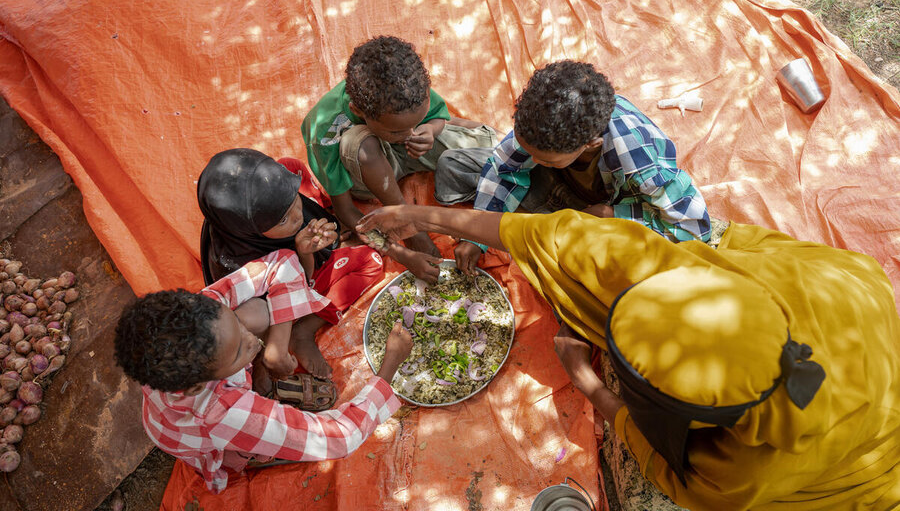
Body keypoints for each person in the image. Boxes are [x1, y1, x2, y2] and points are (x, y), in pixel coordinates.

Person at [356, 205, 900, 509]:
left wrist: (589, 383)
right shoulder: (668, 273)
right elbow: (544, 232)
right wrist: (417, 214)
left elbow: (671, 469)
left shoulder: (741, 469)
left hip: (869, 463)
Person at [113, 251, 413, 494]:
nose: (252, 340)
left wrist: (276, 348)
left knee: (256, 312)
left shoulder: (203, 316)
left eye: (234, 324)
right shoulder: (222, 413)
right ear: (197, 385)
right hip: (205, 438)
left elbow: (283, 262)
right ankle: (252, 453)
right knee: (250, 444)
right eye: (237, 353)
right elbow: (341, 437)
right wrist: (389, 367)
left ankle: (258, 377)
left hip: (195, 399)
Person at [436, 60, 712, 276]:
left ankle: (554, 226)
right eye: (524, 145)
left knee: (580, 262)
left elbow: (693, 228)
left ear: (591, 145)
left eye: (545, 158)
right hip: (561, 189)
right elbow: (503, 167)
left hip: (605, 209)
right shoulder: (540, 125)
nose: (527, 153)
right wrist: (477, 235)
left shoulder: (638, 160)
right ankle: (545, 218)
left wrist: (614, 214)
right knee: (453, 164)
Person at [301, 35, 497, 282]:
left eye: (416, 123)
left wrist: (431, 130)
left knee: (493, 146)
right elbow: (345, 210)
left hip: (407, 153)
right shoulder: (324, 130)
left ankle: (438, 129)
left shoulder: (407, 88)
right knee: (360, 144)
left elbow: (435, 118)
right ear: (358, 112)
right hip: (365, 171)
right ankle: (407, 222)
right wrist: (402, 253)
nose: (410, 134)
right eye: (397, 130)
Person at [198, 148, 385, 378]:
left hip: (294, 257)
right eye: (283, 218)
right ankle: (304, 330)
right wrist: (305, 252)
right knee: (371, 260)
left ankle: (325, 218)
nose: (298, 215)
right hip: (288, 294)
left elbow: (292, 207)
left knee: (290, 166)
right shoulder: (249, 266)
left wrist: (307, 217)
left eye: (294, 196)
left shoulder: (240, 225)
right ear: (251, 230)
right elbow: (295, 285)